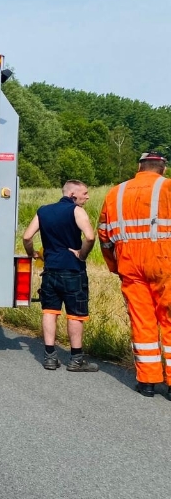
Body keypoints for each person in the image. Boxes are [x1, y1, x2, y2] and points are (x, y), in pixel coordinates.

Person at [97, 151, 171, 398]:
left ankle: (147, 382)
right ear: (162, 168)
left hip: (129, 263)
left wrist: (114, 266)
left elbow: (104, 236)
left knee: (142, 321)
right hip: (164, 261)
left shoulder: (115, 193)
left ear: (139, 167)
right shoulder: (168, 187)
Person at [22, 179, 99, 372]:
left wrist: (31, 253)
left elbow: (27, 237)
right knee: (75, 314)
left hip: (50, 270)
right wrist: (82, 254)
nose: (87, 197)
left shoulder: (43, 211)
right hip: (73, 270)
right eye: (85, 193)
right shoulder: (76, 211)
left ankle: (49, 357)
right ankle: (76, 360)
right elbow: (90, 237)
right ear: (73, 195)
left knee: (50, 312)